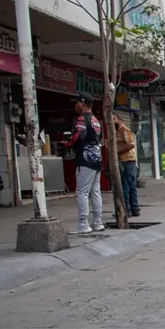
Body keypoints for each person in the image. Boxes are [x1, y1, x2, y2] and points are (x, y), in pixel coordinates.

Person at [65, 93, 104, 234]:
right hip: (97, 159)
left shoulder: (81, 119)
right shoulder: (95, 120)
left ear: (82, 103)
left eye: (77, 102)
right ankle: (98, 222)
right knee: (95, 191)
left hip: (85, 160)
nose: (75, 105)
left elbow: (78, 136)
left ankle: (83, 224)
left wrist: (68, 143)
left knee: (82, 192)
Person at [114, 115, 139, 217]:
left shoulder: (124, 130)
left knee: (126, 187)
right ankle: (134, 209)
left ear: (120, 120)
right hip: (126, 161)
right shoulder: (116, 131)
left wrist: (117, 150)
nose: (112, 121)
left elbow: (131, 144)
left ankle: (127, 210)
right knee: (130, 186)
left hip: (127, 161)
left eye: (114, 119)